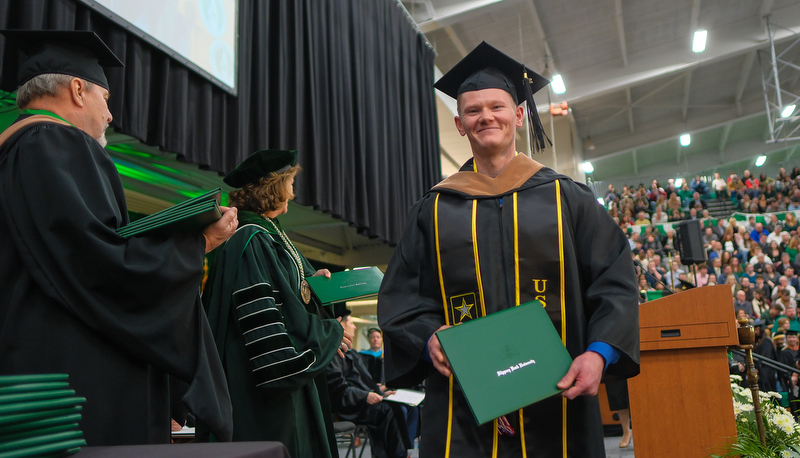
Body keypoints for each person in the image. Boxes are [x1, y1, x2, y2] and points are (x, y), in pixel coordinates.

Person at [377, 42, 640, 457]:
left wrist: (599, 353)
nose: (486, 116)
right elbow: (402, 296)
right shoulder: (434, 208)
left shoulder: (567, 198)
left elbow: (615, 281)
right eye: (472, 110)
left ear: (518, 115)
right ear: (460, 125)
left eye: (497, 106)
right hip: (463, 404)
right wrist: (428, 337)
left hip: (559, 396)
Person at [0, 30, 237, 445]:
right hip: (73, 384)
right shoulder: (56, 143)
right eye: (105, 99)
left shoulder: (16, 150)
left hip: (28, 372)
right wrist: (195, 245)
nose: (110, 115)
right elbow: (97, 265)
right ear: (77, 90)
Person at [200, 149, 351, 457]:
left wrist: (313, 283)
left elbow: (289, 297)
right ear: (276, 187)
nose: (293, 193)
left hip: (289, 394)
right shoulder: (250, 240)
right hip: (267, 401)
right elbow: (267, 327)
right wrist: (329, 333)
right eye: (291, 183)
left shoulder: (271, 236)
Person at [326, 308, 412, 458]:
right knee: (389, 410)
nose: (354, 327)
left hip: (362, 401)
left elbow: (366, 381)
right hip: (352, 405)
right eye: (351, 323)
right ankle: (398, 455)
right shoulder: (334, 353)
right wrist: (365, 396)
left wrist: (381, 393)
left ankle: (402, 452)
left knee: (407, 408)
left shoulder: (352, 353)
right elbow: (338, 389)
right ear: (341, 325)